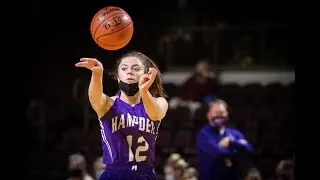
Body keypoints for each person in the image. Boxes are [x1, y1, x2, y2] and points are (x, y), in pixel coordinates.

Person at [75, 51, 169, 180]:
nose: (129, 72)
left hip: (144, 173)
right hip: (115, 173)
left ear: (146, 74)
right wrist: (97, 74)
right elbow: (94, 98)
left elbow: (155, 114)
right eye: (124, 68)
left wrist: (144, 91)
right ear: (118, 76)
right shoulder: (109, 103)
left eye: (136, 69)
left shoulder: (159, 102)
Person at [196, 99, 253, 180]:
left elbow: (249, 149)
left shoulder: (234, 134)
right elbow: (217, 153)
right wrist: (237, 152)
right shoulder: (204, 134)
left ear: (227, 115)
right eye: (216, 113)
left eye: (222, 113)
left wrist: (231, 142)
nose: (219, 116)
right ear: (208, 115)